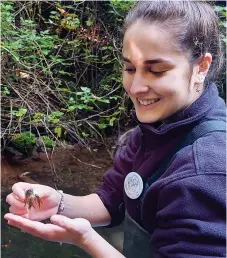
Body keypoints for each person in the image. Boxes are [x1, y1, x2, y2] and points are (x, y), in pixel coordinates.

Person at [4, 1, 226, 257]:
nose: (135, 87)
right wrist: (59, 202)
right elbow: (112, 199)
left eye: (156, 71)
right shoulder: (157, 127)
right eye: (130, 68)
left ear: (201, 67)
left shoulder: (207, 171)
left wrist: (87, 240)